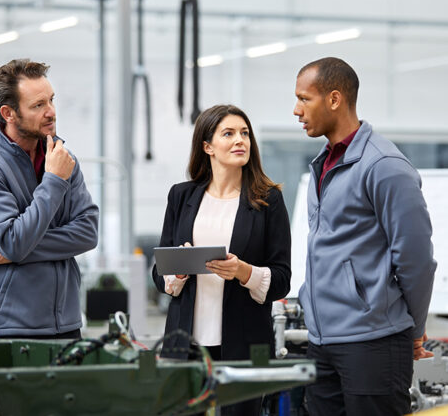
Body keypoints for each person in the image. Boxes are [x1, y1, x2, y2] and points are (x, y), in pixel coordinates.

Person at [293, 57, 437, 416]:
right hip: (323, 341)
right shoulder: (323, 163)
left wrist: (414, 331)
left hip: (373, 341)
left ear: (335, 99)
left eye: (304, 99)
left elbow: (416, 258)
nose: (296, 110)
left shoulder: (384, 166)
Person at [152, 104, 291, 416]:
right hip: (185, 344)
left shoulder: (268, 200)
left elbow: (282, 278)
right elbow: (159, 274)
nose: (240, 140)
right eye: (228, 133)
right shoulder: (181, 196)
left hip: (244, 342)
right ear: (207, 146)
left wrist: (243, 271)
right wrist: (181, 269)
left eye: (244, 133)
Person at [0, 59, 99, 339]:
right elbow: (14, 240)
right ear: (8, 113)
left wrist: (13, 252)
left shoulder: (62, 158)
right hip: (8, 327)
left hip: (67, 324)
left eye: (51, 100)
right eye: (38, 105)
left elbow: (88, 233)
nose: (51, 112)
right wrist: (54, 181)